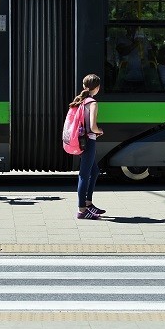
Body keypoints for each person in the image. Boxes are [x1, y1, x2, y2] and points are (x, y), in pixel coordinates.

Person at [71, 73, 105, 220]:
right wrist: (100, 130)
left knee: (95, 171)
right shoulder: (92, 102)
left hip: (80, 140)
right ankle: (82, 210)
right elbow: (92, 126)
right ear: (97, 88)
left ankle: (88, 203)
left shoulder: (81, 101)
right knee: (84, 175)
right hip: (88, 141)